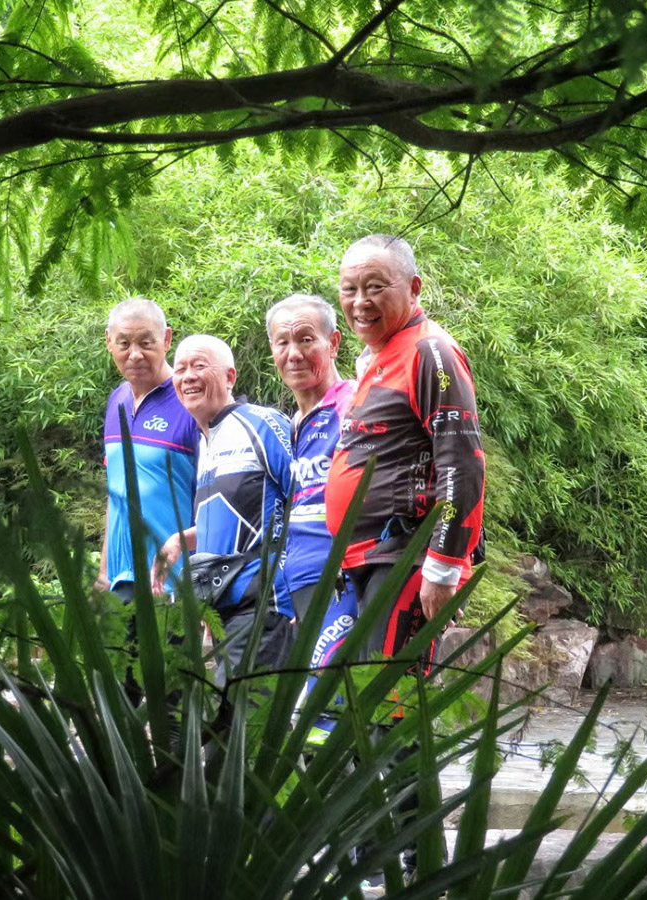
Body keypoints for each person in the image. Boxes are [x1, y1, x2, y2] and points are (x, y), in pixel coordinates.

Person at [324, 234, 485, 663]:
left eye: (376, 287)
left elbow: (462, 462)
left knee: (389, 706)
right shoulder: (378, 357)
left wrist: (443, 564)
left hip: (406, 557)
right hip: (370, 559)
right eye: (349, 289)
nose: (360, 301)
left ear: (414, 288)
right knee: (370, 707)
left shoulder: (431, 353)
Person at [151, 334, 296, 678]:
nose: (188, 376)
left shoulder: (262, 423)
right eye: (181, 368)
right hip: (225, 612)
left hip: (265, 604)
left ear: (230, 377)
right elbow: (239, 517)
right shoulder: (206, 442)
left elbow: (308, 500)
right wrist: (179, 541)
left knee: (236, 723)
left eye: (199, 366)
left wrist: (306, 590)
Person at [267, 293, 358, 740]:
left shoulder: (354, 405)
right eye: (282, 342)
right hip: (299, 594)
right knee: (307, 724)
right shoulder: (291, 425)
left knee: (331, 719)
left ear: (334, 342)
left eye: (306, 339)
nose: (294, 353)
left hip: (344, 586)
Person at [96, 298, 200, 600]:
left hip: (172, 585)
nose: (135, 354)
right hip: (119, 584)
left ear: (167, 339)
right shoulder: (116, 401)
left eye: (146, 342)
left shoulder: (192, 402)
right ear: (108, 342)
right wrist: (103, 573)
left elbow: (214, 498)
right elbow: (115, 492)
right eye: (124, 343)